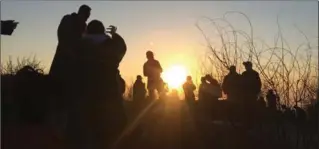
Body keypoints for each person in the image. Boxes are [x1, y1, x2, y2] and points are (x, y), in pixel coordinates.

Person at [67, 20, 127, 149]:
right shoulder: (111, 46)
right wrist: (115, 34)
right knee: (109, 136)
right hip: (110, 98)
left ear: (87, 31)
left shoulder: (79, 46)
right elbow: (122, 47)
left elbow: (68, 46)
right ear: (102, 30)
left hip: (83, 99)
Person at [49, 4, 91, 134]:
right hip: (62, 64)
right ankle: (53, 129)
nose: (86, 19)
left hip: (74, 68)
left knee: (68, 100)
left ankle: (63, 130)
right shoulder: (68, 20)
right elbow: (62, 38)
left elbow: (84, 43)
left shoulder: (84, 27)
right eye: (86, 16)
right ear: (81, 13)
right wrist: (72, 52)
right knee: (57, 96)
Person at [241, 61, 262, 128]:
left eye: (246, 66)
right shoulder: (245, 74)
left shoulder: (254, 74)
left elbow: (259, 84)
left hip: (251, 96)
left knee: (251, 111)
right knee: (246, 111)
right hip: (247, 96)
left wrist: (256, 92)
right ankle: (248, 125)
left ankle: (251, 125)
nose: (245, 67)